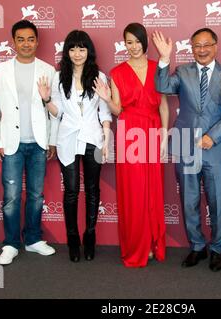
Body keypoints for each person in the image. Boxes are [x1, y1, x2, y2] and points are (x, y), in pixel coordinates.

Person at [152, 29, 221, 272]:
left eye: (206, 45)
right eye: (196, 46)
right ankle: (197, 246)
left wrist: (214, 135)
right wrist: (164, 59)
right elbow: (162, 86)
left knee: (217, 200)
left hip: (214, 146)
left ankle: (217, 248)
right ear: (191, 47)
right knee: (189, 199)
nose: (201, 50)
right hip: (184, 142)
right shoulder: (182, 71)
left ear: (216, 45)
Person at [94, 23, 169, 267]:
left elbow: (163, 105)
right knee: (134, 192)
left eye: (137, 41)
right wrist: (106, 98)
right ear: (124, 44)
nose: (133, 46)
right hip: (130, 134)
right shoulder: (116, 72)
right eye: (129, 42)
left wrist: (165, 133)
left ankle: (152, 243)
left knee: (152, 191)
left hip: (153, 129)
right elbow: (118, 110)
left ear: (145, 43)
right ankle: (138, 244)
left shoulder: (158, 68)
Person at [37, 30, 112, 262]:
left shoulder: (99, 76)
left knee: (92, 190)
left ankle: (90, 236)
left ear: (88, 50)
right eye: (72, 48)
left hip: (95, 139)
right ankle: (72, 239)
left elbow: (105, 112)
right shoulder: (59, 77)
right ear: (67, 52)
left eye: (81, 48)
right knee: (71, 191)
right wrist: (47, 99)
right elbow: (58, 113)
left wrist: (107, 140)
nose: (77, 53)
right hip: (67, 138)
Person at [0, 20, 57, 265]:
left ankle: (34, 239)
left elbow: (53, 109)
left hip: (38, 144)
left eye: (30, 39)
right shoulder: (0, 71)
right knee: (12, 196)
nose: (26, 44)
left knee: (37, 195)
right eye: (21, 39)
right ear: (13, 42)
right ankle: (10, 243)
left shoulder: (48, 70)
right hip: (11, 144)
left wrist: (52, 140)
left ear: (37, 41)